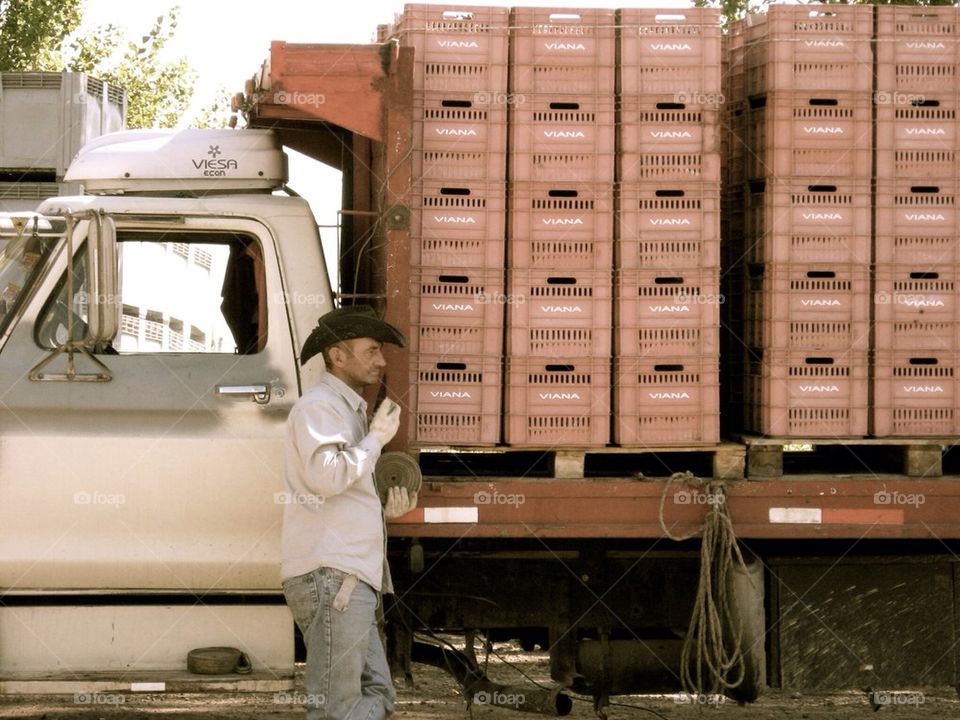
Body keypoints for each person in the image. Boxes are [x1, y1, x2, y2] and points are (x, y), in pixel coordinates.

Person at [281, 305, 417, 720]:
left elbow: (342, 488)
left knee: (376, 693)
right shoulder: (320, 407)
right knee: (335, 707)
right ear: (337, 355)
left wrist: (383, 509)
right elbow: (326, 476)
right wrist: (376, 439)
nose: (381, 361)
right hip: (333, 577)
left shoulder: (348, 410)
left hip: (350, 576)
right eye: (372, 350)